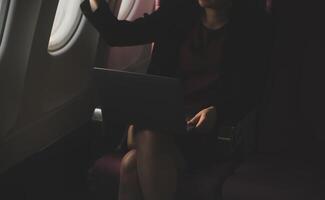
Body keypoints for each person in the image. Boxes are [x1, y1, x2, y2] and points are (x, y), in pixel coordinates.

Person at [80, 0, 271, 200]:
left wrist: (218, 111)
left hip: (203, 129)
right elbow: (117, 34)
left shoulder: (255, 27)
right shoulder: (176, 12)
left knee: (131, 164)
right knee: (150, 131)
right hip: (162, 118)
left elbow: (252, 91)